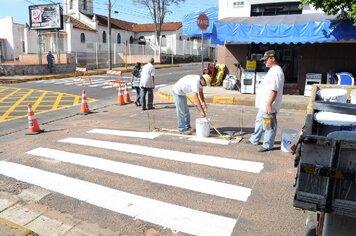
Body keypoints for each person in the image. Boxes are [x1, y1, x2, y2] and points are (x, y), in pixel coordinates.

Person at [247, 50, 285, 152]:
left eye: (266, 60)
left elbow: (274, 90)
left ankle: (268, 144)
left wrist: (269, 104)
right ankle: (254, 139)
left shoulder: (276, 71)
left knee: (269, 125)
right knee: (259, 121)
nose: (264, 62)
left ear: (273, 59)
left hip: (268, 105)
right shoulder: (272, 70)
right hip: (263, 104)